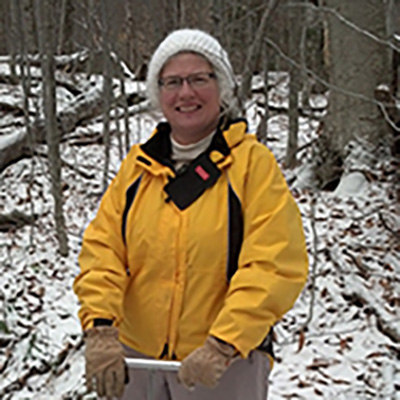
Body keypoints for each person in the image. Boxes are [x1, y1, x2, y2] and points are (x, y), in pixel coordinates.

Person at [73, 28, 309, 400]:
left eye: (199, 79)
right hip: (137, 361)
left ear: (222, 86)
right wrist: (100, 327)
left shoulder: (252, 165)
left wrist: (224, 343)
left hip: (223, 365)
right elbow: (103, 251)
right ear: (158, 93)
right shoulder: (137, 168)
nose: (185, 93)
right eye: (172, 82)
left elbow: (275, 263)